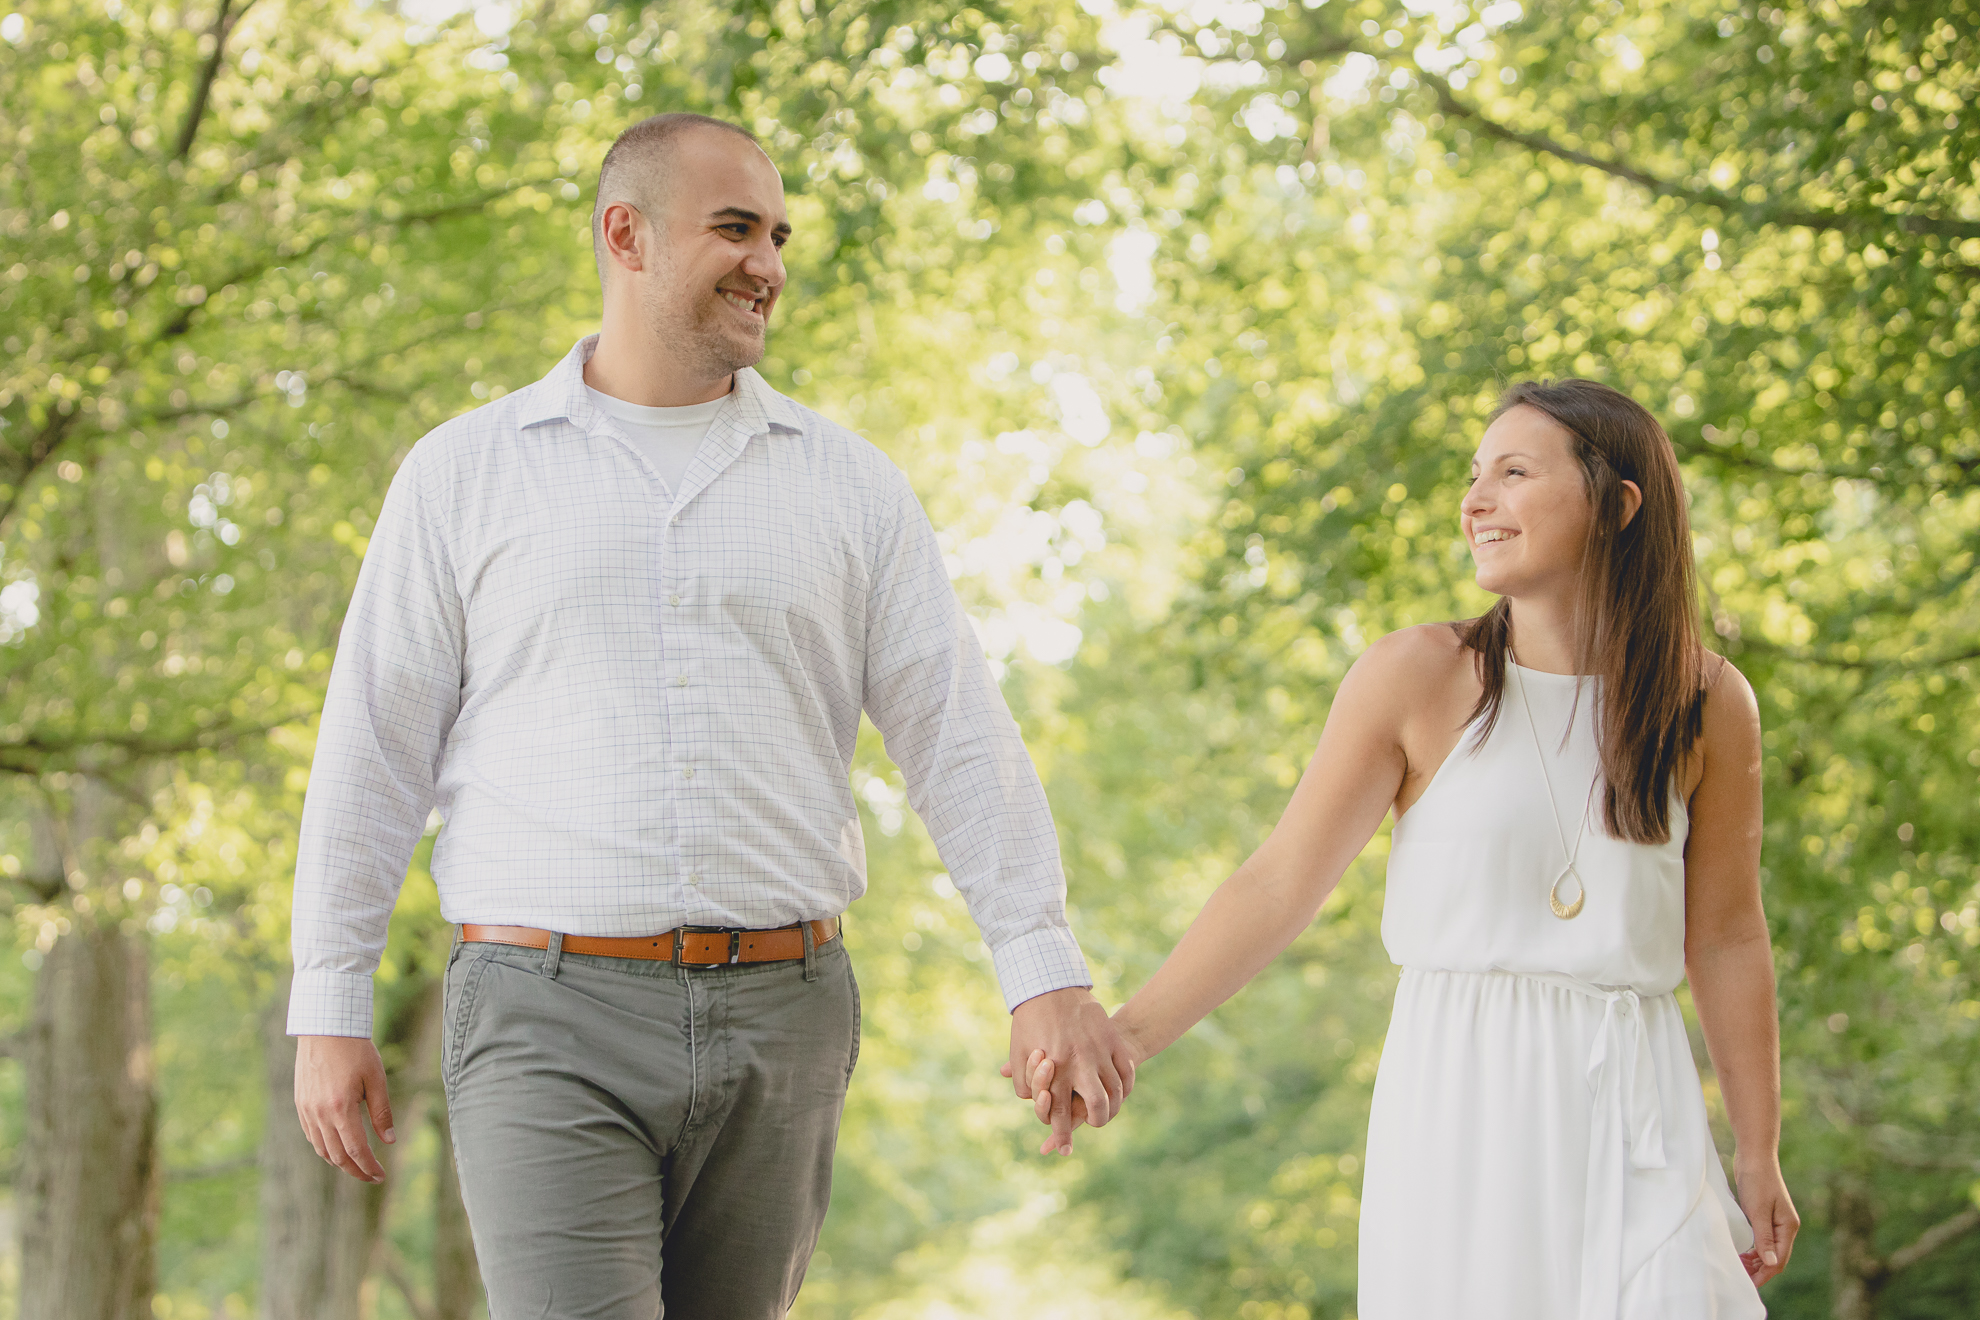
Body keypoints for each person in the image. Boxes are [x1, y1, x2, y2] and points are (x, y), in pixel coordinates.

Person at [287, 112, 1134, 1319]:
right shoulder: (465, 474)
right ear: (624, 235)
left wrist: (1040, 965)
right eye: (735, 227)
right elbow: (371, 744)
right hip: (544, 1014)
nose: (770, 262)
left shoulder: (849, 486)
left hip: (786, 1018)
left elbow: (954, 732)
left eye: (780, 234)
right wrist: (330, 998)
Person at [1029, 379, 1799, 1317]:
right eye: (1475, 476)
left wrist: (1756, 1149)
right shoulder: (1419, 676)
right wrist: (1126, 1040)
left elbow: (1725, 937)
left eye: (1514, 473)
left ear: (1618, 504)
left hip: (1637, 1100)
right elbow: (1279, 884)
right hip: (1462, 1101)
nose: (1475, 502)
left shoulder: (1709, 699)